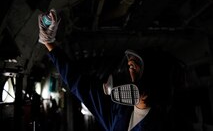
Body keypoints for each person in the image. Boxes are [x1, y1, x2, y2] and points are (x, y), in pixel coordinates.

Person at [37, 9, 193, 131]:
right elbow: (79, 83)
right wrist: (49, 42)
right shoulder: (119, 110)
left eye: (132, 67)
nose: (127, 72)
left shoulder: (173, 124)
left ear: (153, 75)